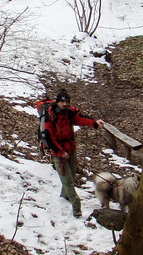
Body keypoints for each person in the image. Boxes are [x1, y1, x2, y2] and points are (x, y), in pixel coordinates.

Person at [40, 89, 104, 217]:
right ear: (57, 102)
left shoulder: (69, 113)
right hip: (58, 151)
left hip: (70, 148)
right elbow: (49, 137)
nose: (65, 104)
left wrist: (94, 122)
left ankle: (65, 196)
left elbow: (81, 119)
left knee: (72, 175)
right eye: (62, 102)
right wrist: (60, 152)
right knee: (67, 179)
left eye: (67, 102)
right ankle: (76, 206)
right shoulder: (50, 116)